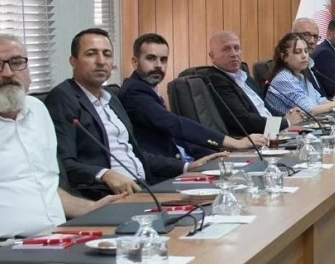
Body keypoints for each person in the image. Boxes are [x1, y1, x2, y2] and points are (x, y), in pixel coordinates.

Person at [0, 35, 126, 250]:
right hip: (3, 247)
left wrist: (91, 209)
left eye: (17, 62)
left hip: (59, 237)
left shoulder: (37, 110)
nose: (8, 73)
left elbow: (44, 186)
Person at [46, 28, 217, 198]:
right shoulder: (63, 98)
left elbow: (136, 154)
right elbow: (64, 163)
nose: (101, 61)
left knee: (217, 195)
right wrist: (104, 174)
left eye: (107, 54)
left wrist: (186, 167)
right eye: (91, 54)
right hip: (108, 195)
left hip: (145, 186)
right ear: (73, 61)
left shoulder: (111, 98)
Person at [118, 33, 266, 161]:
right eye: (151, 58)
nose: (158, 65)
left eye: (163, 60)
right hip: (168, 169)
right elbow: (174, 124)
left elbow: (179, 137)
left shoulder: (149, 89)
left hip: (189, 158)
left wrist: (214, 155)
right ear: (135, 62)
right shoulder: (134, 92)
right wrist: (233, 143)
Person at [197, 31, 307, 138]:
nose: (234, 54)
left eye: (236, 48)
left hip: (273, 132)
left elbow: (266, 108)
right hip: (255, 139)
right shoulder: (217, 80)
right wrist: (285, 122)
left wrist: (288, 116)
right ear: (212, 56)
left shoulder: (244, 76)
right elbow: (243, 121)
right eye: (226, 49)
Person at [266, 32, 335, 117]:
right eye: (298, 52)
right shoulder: (283, 79)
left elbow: (318, 100)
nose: (304, 56)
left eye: (306, 51)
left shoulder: (300, 76)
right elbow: (309, 110)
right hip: (286, 127)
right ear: (284, 57)